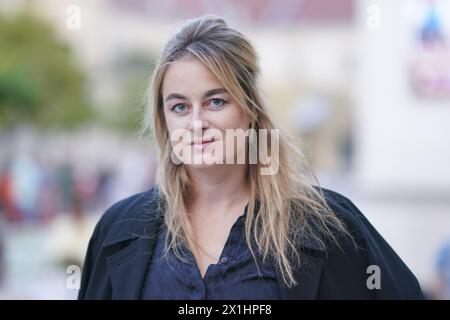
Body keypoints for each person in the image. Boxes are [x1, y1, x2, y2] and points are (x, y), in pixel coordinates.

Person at [78, 15, 424, 300]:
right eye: (180, 106)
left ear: (250, 111)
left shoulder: (327, 227)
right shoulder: (120, 230)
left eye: (216, 101)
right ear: (164, 120)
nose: (197, 124)